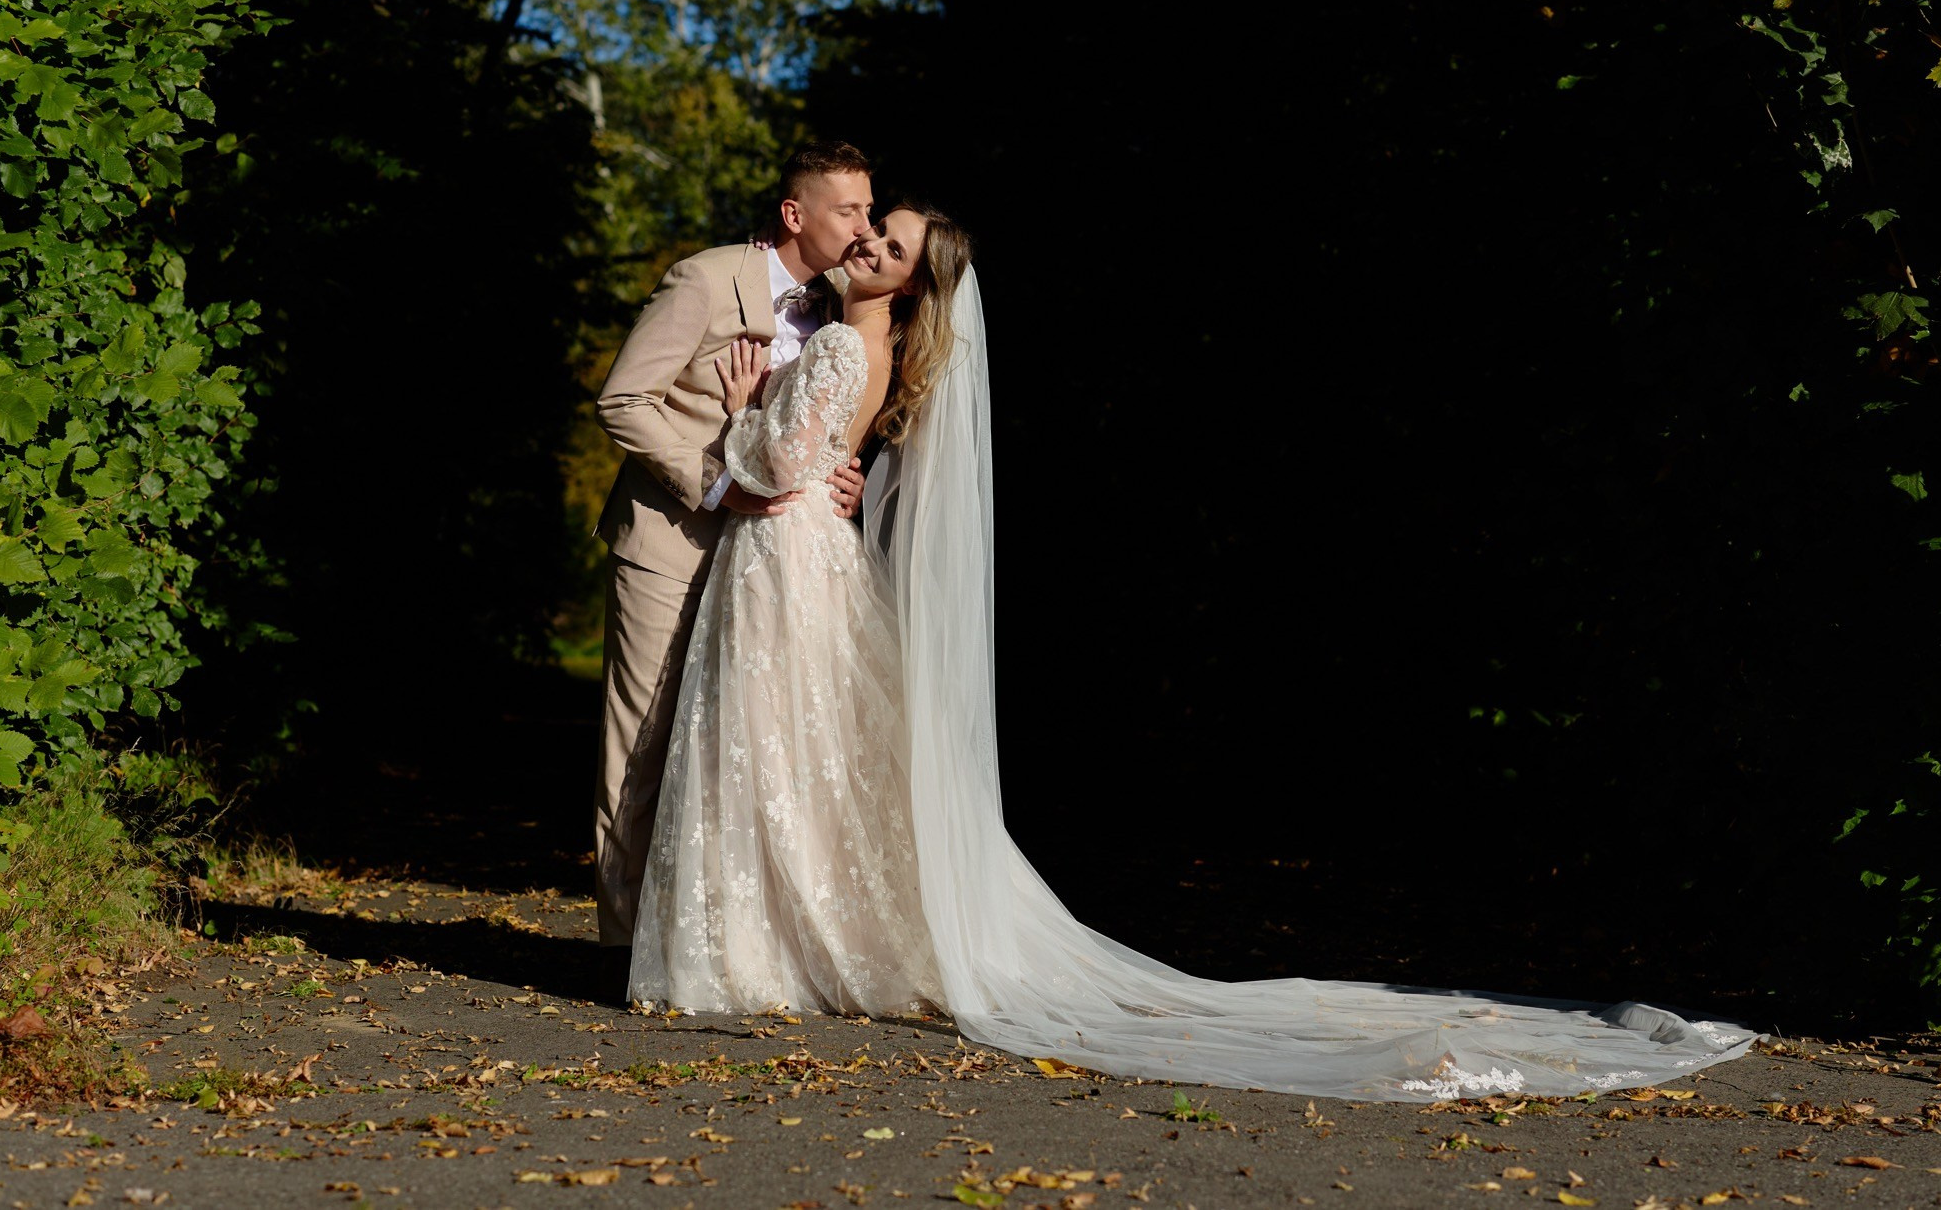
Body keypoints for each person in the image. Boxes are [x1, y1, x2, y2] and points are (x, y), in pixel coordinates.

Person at [631, 201, 1760, 1102]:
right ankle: (792, 945)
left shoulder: (835, 340)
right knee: (796, 755)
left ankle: (762, 947)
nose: (866, 241)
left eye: (887, 242)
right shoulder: (867, 346)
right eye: (869, 228)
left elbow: (775, 466)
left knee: (775, 750)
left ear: (911, 283)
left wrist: (739, 412)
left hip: (783, 558)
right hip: (802, 560)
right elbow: (823, 459)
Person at [590, 142, 874, 947]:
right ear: (796, 214)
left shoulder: (845, 304)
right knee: (642, 748)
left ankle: (703, 947)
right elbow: (621, 400)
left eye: (867, 209)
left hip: (770, 562)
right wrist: (716, 482)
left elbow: (830, 418)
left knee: (735, 754)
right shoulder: (706, 279)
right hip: (672, 544)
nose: (863, 227)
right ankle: (622, 950)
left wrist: (845, 477)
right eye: (848, 210)